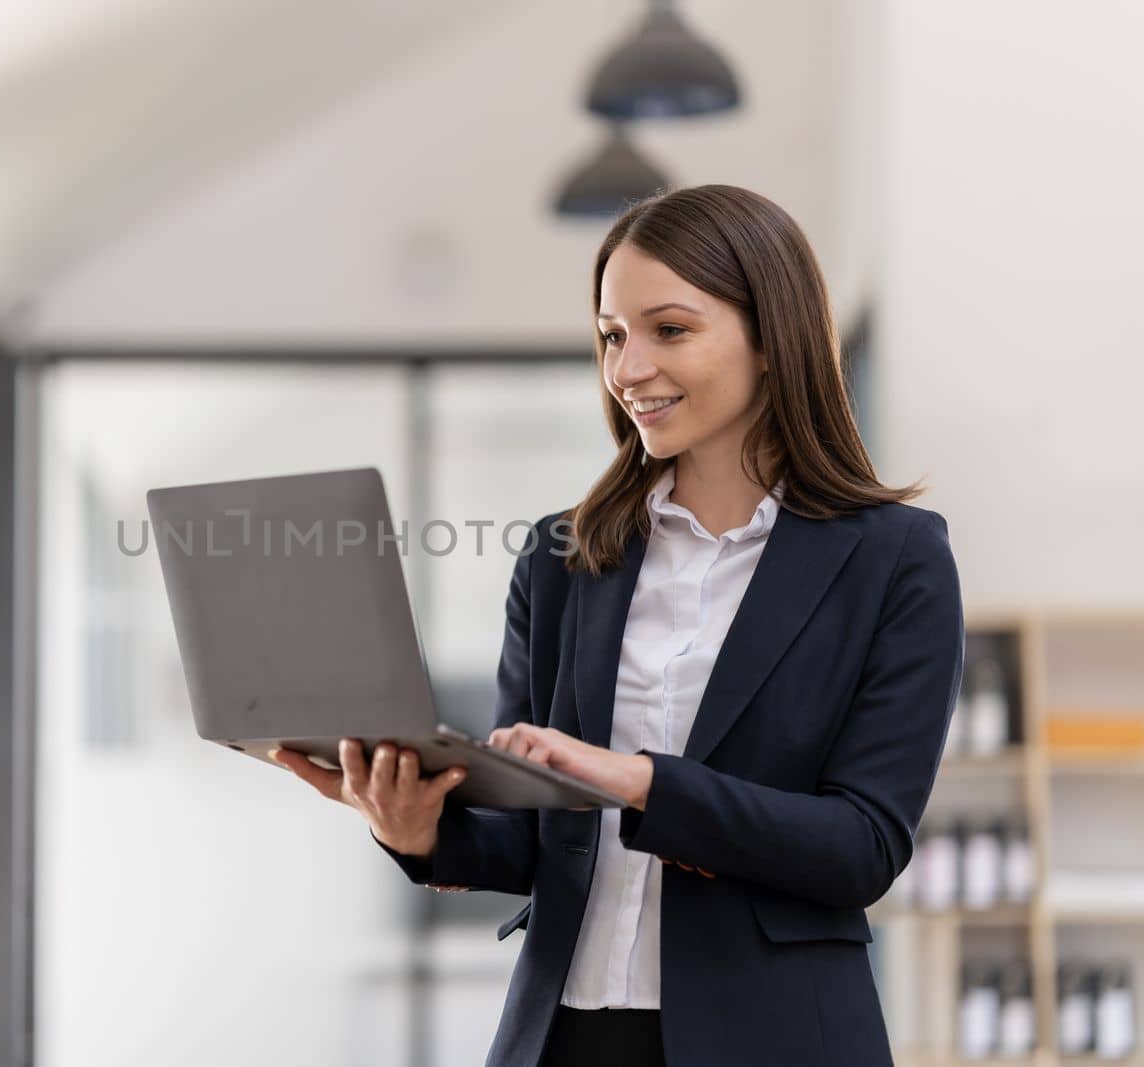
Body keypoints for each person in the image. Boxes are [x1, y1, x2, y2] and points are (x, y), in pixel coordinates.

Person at [271, 183, 963, 1067]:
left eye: (669, 330)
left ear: (770, 336)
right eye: (611, 335)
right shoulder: (563, 558)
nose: (627, 367)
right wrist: (414, 828)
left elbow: (861, 847)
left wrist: (642, 782)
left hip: (776, 1038)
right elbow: (526, 840)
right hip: (563, 1038)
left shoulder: (894, 559)